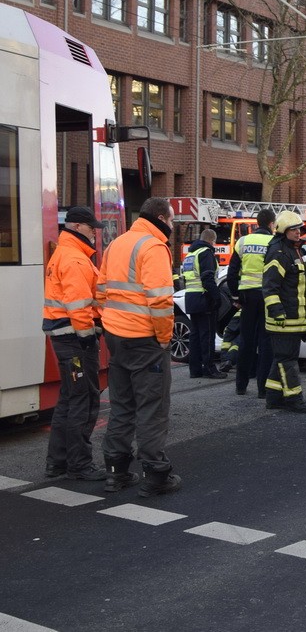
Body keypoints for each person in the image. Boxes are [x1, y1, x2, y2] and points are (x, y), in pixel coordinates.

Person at [98, 197, 179, 496]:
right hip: (145, 339)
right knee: (152, 408)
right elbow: (160, 300)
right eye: (170, 220)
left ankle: (116, 472)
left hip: (116, 336)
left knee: (122, 406)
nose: (170, 226)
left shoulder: (117, 243)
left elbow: (101, 290)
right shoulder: (154, 246)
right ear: (160, 217)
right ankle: (156, 475)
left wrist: (110, 323)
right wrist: (163, 337)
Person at [41, 206, 107, 481]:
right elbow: (79, 305)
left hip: (64, 336)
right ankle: (79, 465)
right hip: (75, 339)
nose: (94, 232)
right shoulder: (75, 259)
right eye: (91, 227)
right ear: (77, 227)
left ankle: (58, 463)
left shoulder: (66, 254)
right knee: (84, 399)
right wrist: (88, 337)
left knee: (69, 399)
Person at [262, 210, 306, 413]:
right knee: (288, 360)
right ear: (284, 231)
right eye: (294, 229)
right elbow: (270, 286)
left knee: (282, 358)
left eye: (299, 229)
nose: (298, 232)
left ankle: (274, 397)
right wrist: (277, 312)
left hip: (293, 318)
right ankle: (294, 399)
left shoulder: (293, 251)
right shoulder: (279, 253)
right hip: (283, 320)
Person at [226, 208, 275, 398]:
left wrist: (236, 297)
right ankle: (263, 389)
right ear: (271, 224)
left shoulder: (243, 241)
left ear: (257, 223)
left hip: (247, 298)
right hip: (267, 297)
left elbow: (232, 274)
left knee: (246, 342)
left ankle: (241, 385)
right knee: (265, 342)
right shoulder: (273, 242)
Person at [183, 229, 225, 380]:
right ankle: (209, 368)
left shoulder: (190, 254)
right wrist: (217, 297)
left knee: (195, 336)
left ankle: (195, 369)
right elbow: (207, 277)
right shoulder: (206, 253)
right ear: (212, 241)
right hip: (203, 297)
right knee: (207, 335)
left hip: (191, 297)